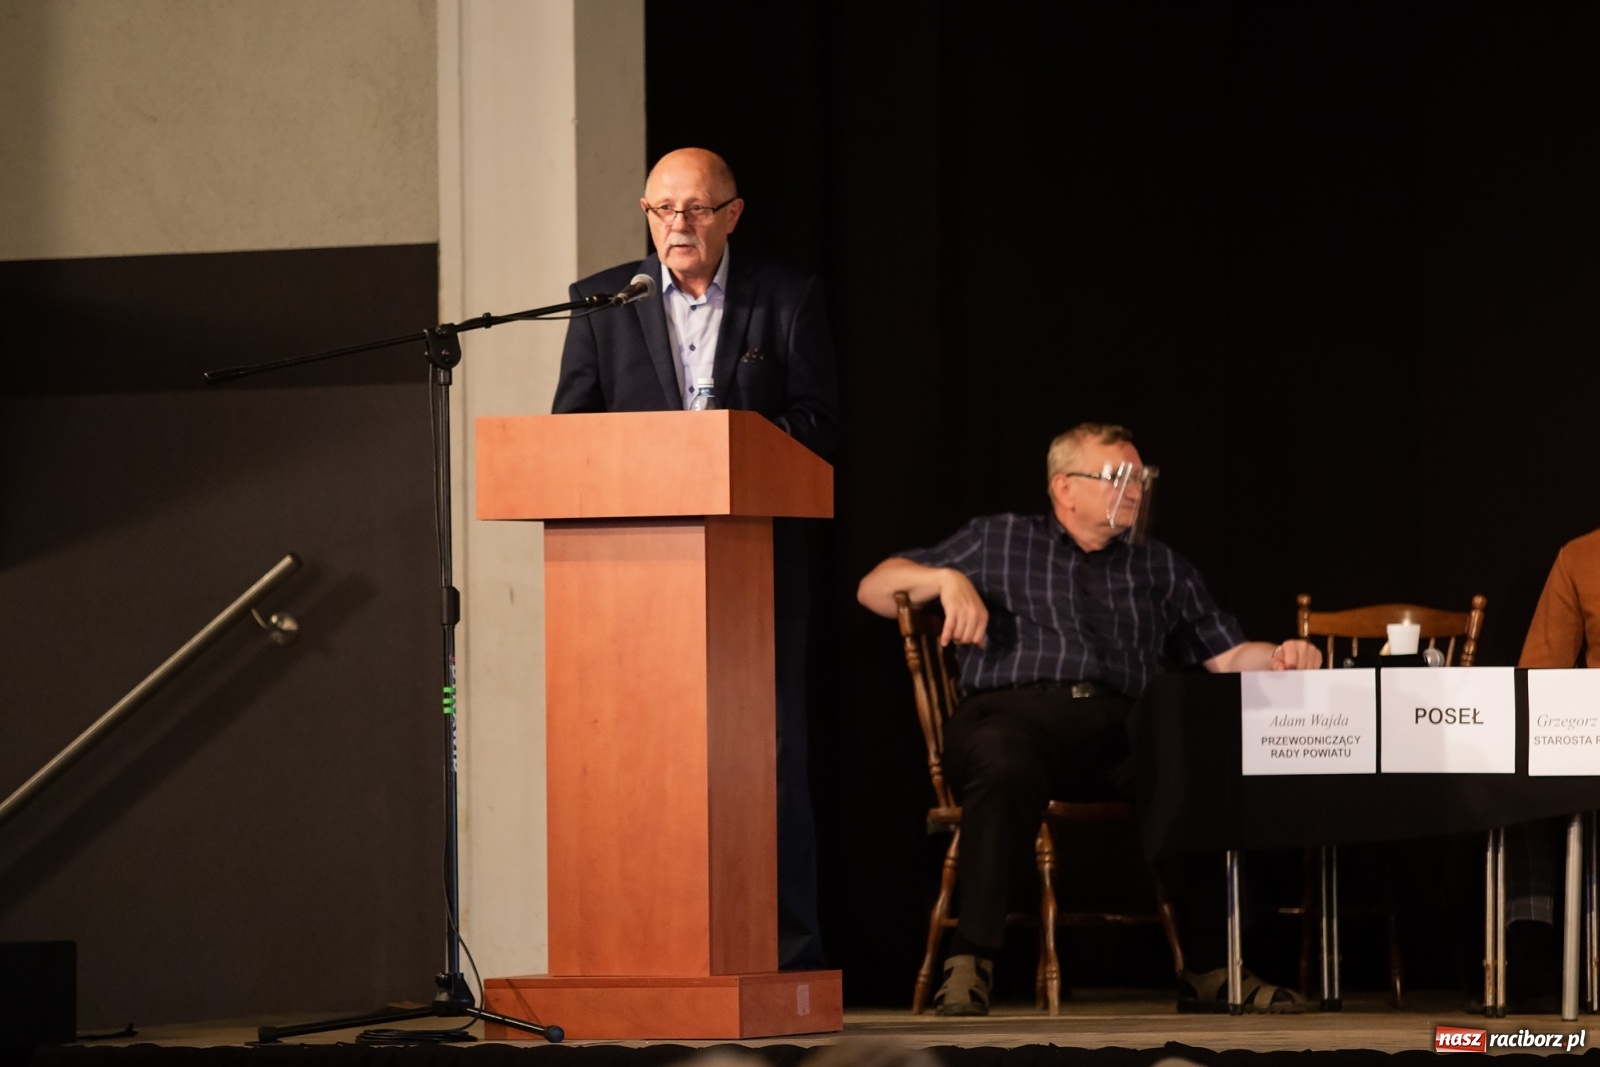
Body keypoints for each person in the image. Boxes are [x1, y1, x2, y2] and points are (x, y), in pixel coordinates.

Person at [856, 422, 1322, 1015]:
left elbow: (1227, 655)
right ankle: (970, 962)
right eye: (1117, 477)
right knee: (1003, 760)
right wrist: (943, 578)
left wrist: (1278, 656)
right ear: (1064, 489)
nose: (1134, 490)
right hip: (1016, 714)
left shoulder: (1159, 566)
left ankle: (1212, 967)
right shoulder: (998, 540)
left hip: (1119, 725)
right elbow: (874, 587)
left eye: (1141, 478)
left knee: (1197, 758)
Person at [551, 148, 839, 970]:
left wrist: (733, 449)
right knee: (640, 763)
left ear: (732, 214)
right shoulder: (604, 301)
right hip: (637, 582)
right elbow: (572, 432)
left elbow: (820, 427)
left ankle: (786, 958)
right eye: (664, 209)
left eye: (697, 209)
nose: (679, 224)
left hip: (756, 573)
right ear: (646, 212)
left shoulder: (787, 297)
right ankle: (644, 951)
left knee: (767, 766)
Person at [1491, 527, 1600, 1012]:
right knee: (1521, 783)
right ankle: (1532, 952)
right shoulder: (1582, 556)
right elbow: (1541, 672)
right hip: (1593, 734)